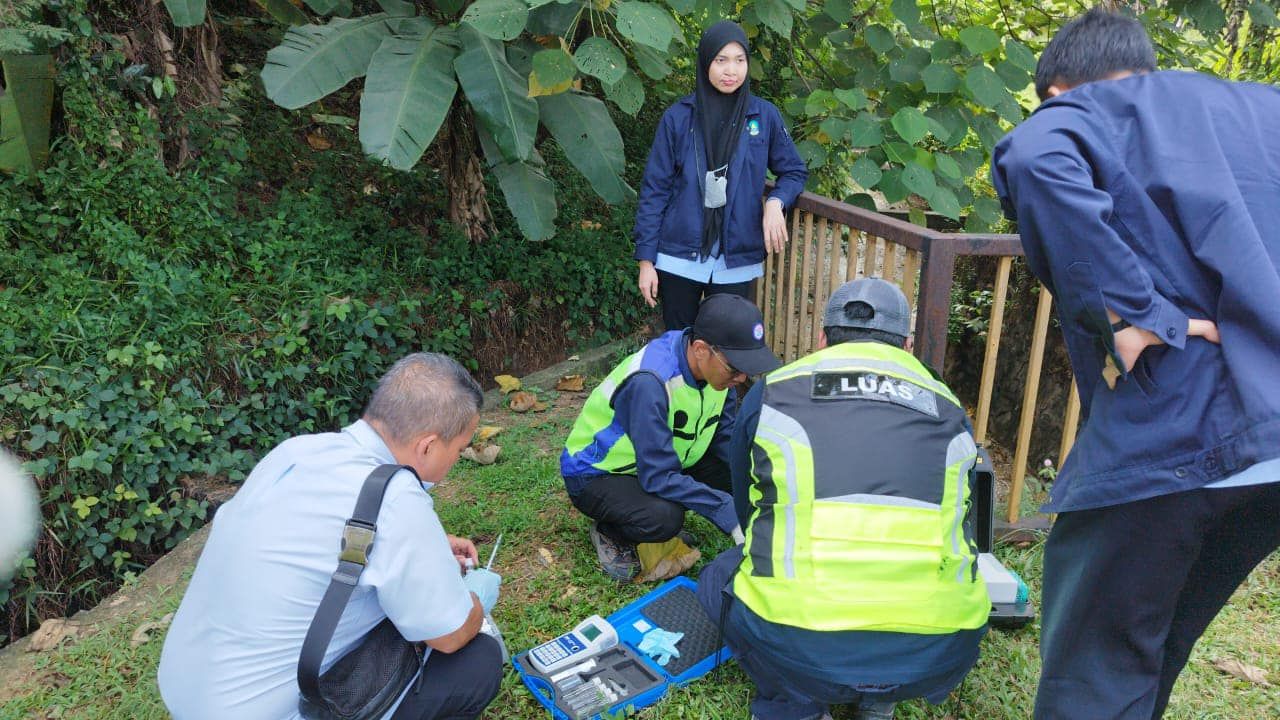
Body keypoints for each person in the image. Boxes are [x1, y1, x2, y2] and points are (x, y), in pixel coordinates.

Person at [990, 9, 1280, 719]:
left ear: (1058, 89)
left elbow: (1034, 157)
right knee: (1158, 640)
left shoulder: (1088, 110)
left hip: (1182, 431)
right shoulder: (1257, 108)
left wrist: (1130, 313)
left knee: (1098, 663)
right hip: (1271, 447)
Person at [695, 278, 990, 720]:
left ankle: (794, 707)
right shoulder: (948, 406)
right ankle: (879, 700)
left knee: (718, 576)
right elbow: (964, 515)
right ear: (907, 346)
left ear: (822, 339)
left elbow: (747, 506)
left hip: (797, 639)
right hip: (940, 646)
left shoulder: (774, 390)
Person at [158, 353, 504, 720]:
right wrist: (476, 595)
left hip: (189, 695)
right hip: (275, 712)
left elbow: (312, 539)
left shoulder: (295, 451)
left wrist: (428, 549)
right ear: (428, 445)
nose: (458, 459)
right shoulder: (396, 497)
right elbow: (449, 634)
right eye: (459, 448)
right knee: (476, 661)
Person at [561, 293, 781, 581]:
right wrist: (724, 509)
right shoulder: (651, 382)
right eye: (735, 368)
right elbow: (658, 476)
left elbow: (725, 441)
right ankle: (611, 530)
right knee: (664, 518)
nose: (741, 378)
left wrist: (761, 481)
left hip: (663, 458)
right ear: (701, 349)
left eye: (746, 369)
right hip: (598, 474)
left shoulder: (719, 375)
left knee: (741, 476)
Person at [633, 19, 808, 331]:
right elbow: (655, 190)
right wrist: (646, 261)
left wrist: (775, 202)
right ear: (705, 63)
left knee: (727, 345)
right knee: (680, 341)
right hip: (678, 255)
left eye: (740, 60)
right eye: (721, 60)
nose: (731, 70)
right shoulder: (679, 118)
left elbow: (793, 170)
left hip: (736, 258)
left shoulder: (763, 116)